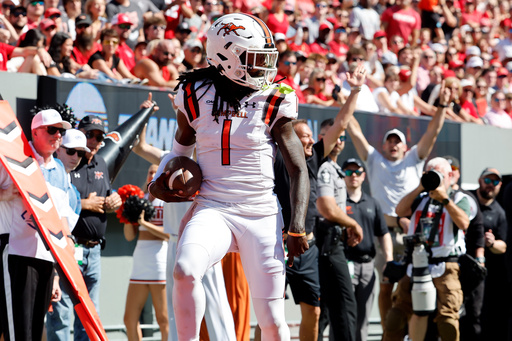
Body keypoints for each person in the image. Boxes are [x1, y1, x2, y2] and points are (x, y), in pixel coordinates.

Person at [148, 13, 310, 340]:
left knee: (273, 323)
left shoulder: (274, 96)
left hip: (260, 212)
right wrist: (160, 182)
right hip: (214, 207)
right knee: (185, 270)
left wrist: (296, 226)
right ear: (225, 57)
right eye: (253, 58)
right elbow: (178, 153)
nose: (263, 67)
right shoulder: (194, 93)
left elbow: (298, 169)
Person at [274, 64, 368, 341]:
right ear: (289, 138)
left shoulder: (314, 158)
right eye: (304, 136)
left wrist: (355, 91)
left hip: (309, 246)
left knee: (313, 313)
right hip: (277, 243)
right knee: (272, 312)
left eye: (311, 137)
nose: (310, 140)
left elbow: (340, 124)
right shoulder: (277, 158)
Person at [347, 80, 449, 332]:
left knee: (411, 285)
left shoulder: (414, 159)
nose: (393, 145)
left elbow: (432, 133)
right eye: (389, 141)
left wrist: (443, 106)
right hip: (384, 235)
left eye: (397, 141)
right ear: (383, 145)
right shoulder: (373, 160)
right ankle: (387, 334)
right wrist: (346, 98)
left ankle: (408, 334)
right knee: (384, 287)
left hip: (412, 234)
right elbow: (353, 129)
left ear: (405, 146)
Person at [132, 117, 238, 341]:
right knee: (175, 303)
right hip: (173, 241)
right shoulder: (168, 159)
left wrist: (190, 118)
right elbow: (139, 147)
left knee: (215, 299)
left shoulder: (208, 160)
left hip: (202, 238)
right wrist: (145, 115)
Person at [47, 115, 122, 341]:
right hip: (70, 246)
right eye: (91, 135)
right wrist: (84, 203)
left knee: (90, 312)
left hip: (94, 249)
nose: (95, 141)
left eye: (100, 136)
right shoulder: (62, 164)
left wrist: (113, 201)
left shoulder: (101, 162)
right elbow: (55, 202)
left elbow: (107, 195)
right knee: (62, 311)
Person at [2, 109, 73, 341]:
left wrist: (59, 266)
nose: (57, 136)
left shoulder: (60, 171)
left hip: (45, 259)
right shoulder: (14, 157)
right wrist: (4, 194)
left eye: (60, 131)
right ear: (34, 131)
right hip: (14, 253)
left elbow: (61, 220)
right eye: (51, 130)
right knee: (19, 332)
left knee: (33, 331)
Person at [387, 157, 470, 341]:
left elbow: (464, 222)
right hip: (417, 262)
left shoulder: (458, 198)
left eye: (438, 174)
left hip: (445, 265)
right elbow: (400, 211)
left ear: (449, 176)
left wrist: (445, 199)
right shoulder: (420, 198)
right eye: (430, 173)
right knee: (400, 314)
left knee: (447, 320)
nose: (434, 178)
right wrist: (420, 186)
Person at [315, 132, 363, 341]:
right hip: (328, 240)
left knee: (329, 306)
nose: (339, 140)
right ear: (322, 137)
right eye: (334, 135)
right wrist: (352, 223)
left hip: (334, 238)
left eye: (343, 137)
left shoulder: (334, 168)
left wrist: (346, 227)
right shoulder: (325, 168)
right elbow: (327, 207)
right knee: (344, 303)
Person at [342, 158, 393, 341]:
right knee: (344, 314)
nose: (353, 176)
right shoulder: (337, 203)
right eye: (348, 172)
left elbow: (384, 233)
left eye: (356, 172)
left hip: (367, 265)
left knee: (363, 317)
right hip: (344, 263)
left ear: (364, 176)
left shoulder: (373, 203)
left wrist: (388, 259)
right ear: (343, 176)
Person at [122, 165, 170, 341]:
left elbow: (168, 235)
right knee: (129, 319)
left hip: (159, 260)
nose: (152, 174)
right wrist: (129, 218)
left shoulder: (168, 200)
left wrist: (145, 222)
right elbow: (129, 236)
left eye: (156, 171)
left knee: (163, 319)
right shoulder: (140, 198)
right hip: (140, 260)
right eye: (150, 171)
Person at [471, 168, 509, 340]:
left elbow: (503, 246)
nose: (490, 186)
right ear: (480, 180)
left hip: (484, 273)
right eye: (488, 181)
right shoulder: (468, 200)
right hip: (460, 265)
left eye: (495, 182)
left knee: (478, 315)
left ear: (500, 185)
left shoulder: (499, 213)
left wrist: (492, 243)